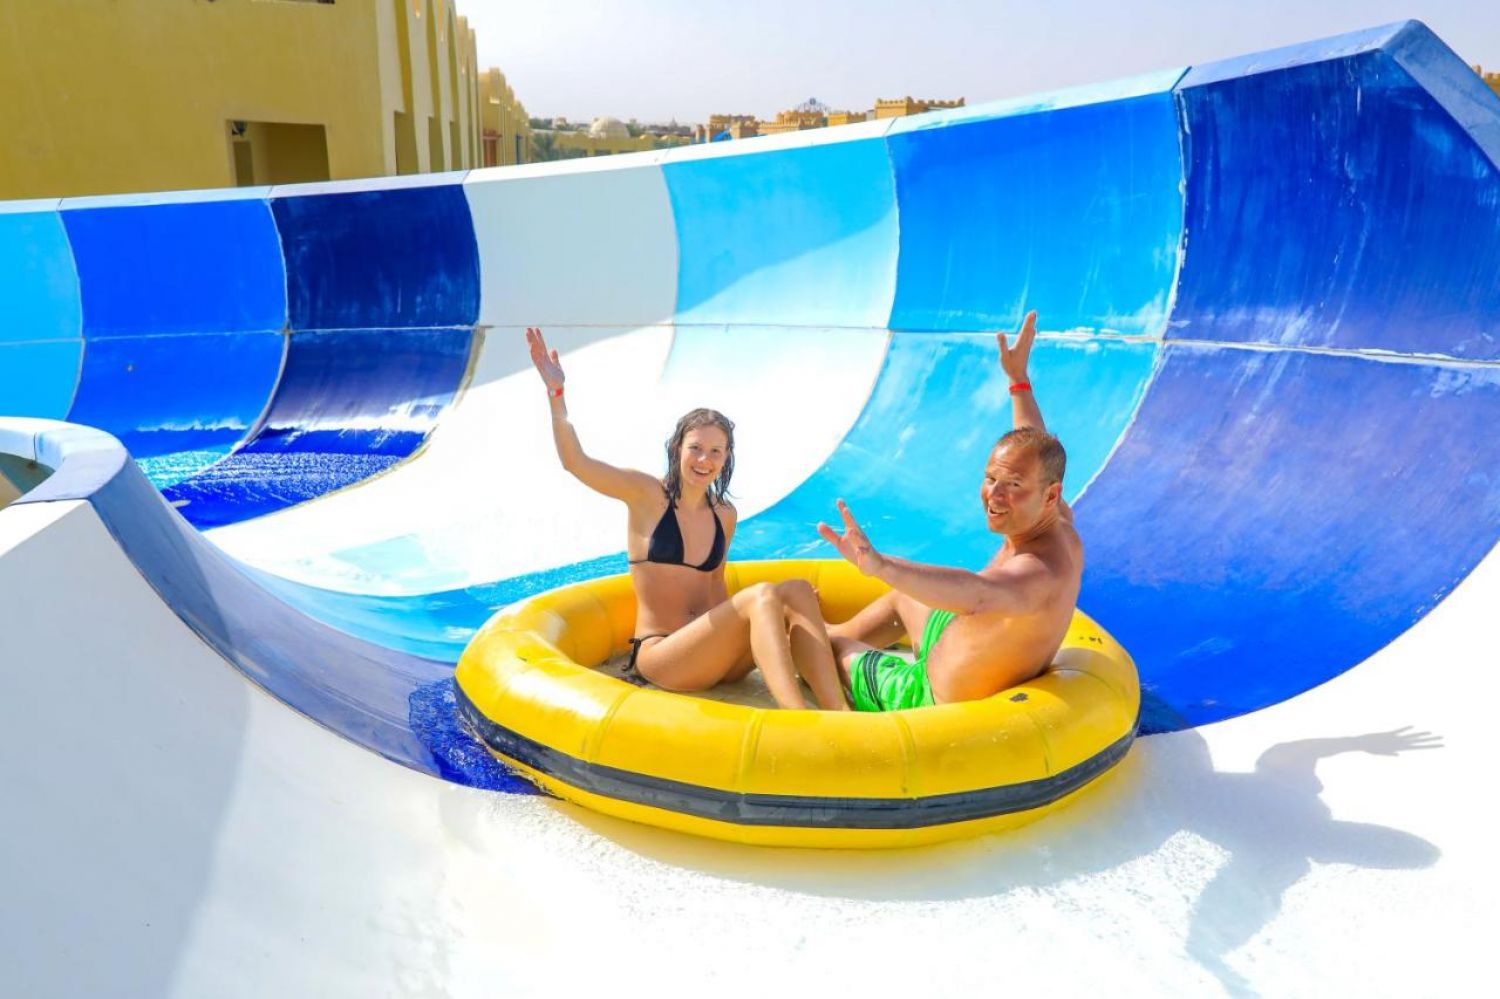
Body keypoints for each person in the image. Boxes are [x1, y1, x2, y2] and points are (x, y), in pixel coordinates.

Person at [526, 327, 846, 710]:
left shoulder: (725, 514)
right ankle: (798, 718)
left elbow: (715, 589)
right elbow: (575, 463)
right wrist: (556, 395)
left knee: (796, 590)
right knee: (762, 594)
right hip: (665, 656)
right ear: (677, 447)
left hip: (714, 656)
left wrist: (784, 614)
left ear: (726, 458)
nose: (704, 460)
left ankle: (838, 712)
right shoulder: (646, 495)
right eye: (695, 448)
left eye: (716, 451)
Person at [817, 311, 1083, 711]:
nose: (995, 495)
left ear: (1050, 495)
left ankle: (831, 644)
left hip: (926, 694)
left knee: (827, 646)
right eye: (991, 478)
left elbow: (976, 594)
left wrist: (882, 566)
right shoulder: (1053, 516)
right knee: (902, 600)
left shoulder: (1037, 573)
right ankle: (838, 632)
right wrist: (1018, 381)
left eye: (1013, 486)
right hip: (956, 639)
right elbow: (1033, 448)